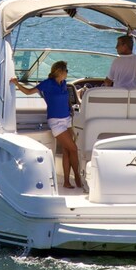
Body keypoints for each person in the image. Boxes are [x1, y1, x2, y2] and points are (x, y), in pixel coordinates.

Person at [11, 61, 82, 189]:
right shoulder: (47, 84)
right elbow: (28, 92)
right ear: (60, 71)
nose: (67, 73)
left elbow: (66, 102)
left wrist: (70, 124)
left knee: (67, 150)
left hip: (67, 119)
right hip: (56, 122)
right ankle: (77, 175)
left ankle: (66, 181)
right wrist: (17, 83)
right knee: (73, 148)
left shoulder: (64, 83)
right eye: (66, 70)